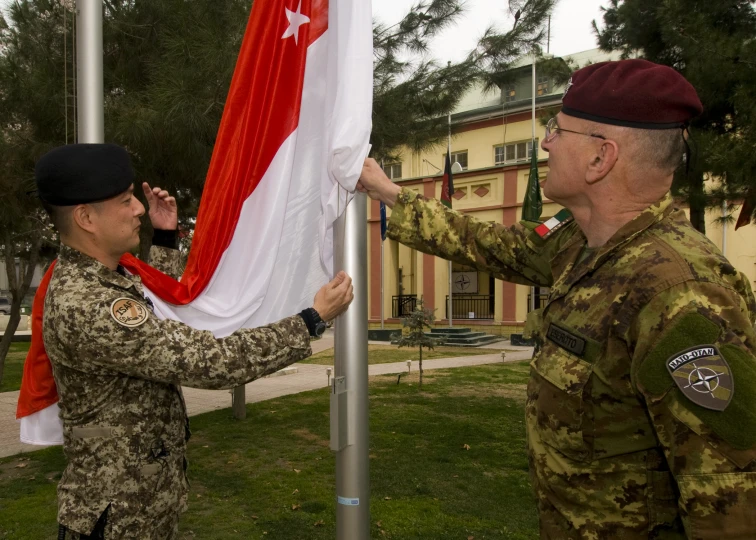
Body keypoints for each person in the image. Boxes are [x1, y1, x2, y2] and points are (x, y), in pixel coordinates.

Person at [358, 59, 756, 539]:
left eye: (556, 130)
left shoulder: (679, 293)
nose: (545, 143)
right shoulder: (579, 239)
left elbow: (729, 499)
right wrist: (390, 193)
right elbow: (490, 244)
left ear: (599, 158)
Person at [35, 143, 354, 539]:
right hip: (116, 519)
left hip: (137, 504)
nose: (138, 209)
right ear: (85, 217)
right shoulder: (88, 304)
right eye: (125, 200)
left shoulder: (102, 280)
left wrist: (166, 239)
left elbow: (149, 318)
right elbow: (208, 361)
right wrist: (310, 321)